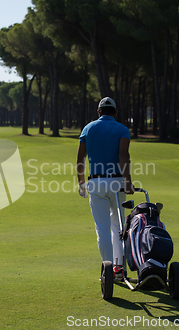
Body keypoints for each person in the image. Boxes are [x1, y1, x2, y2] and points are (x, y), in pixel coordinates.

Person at [76, 97, 134, 278]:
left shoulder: (88, 128)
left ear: (99, 112)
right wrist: (128, 180)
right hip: (117, 183)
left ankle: (108, 269)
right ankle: (119, 268)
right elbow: (123, 155)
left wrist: (81, 182)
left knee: (102, 228)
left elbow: (80, 158)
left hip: (96, 182)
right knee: (118, 227)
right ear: (115, 113)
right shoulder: (122, 129)